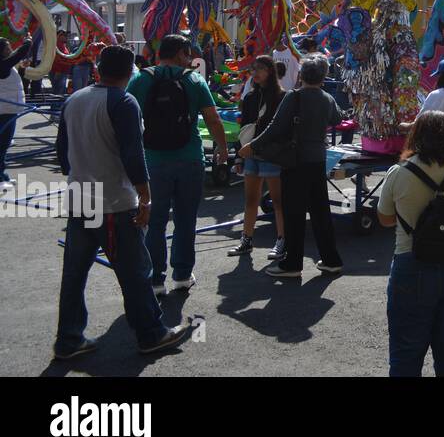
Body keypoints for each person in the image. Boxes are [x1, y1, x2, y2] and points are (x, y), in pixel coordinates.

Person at [53, 44, 193, 359]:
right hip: (114, 202)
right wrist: (145, 195)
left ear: (98, 68)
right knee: (134, 272)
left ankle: (68, 338)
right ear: (130, 71)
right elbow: (132, 153)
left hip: (80, 199)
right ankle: (151, 334)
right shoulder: (124, 102)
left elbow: (62, 153)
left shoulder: (74, 100)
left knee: (74, 274)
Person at [377, 110, 444, 376]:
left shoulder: (399, 172)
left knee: (405, 355)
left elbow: (385, 219)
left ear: (415, 136)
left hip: (411, 263)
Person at [127, 34, 226, 295]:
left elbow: (126, 117)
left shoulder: (141, 78)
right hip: (190, 157)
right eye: (188, 53)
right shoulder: (193, 79)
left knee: (155, 221)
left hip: (153, 159)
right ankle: (182, 275)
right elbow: (213, 119)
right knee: (185, 219)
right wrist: (222, 149)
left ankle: (155, 279)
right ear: (181, 52)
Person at [248, 55, 344, 279]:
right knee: (321, 212)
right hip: (318, 160)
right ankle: (331, 260)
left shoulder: (294, 97)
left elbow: (275, 127)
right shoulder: (327, 98)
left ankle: (292, 263)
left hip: (295, 160)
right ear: (323, 76)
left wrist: (253, 145)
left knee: (295, 213)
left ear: (301, 75)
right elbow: (337, 119)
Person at [229, 55, 286, 260]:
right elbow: (243, 127)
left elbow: (280, 129)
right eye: (253, 69)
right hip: (250, 154)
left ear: (270, 71)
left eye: (259, 69)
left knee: (278, 201)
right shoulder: (250, 97)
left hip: (271, 154)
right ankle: (246, 239)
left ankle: (281, 241)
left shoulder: (282, 97)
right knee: (250, 199)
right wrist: (238, 157)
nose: (255, 73)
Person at [0, 38, 32, 185]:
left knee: (4, 144)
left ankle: (2, 175)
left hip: (9, 110)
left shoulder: (6, 66)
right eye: (7, 48)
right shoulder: (3, 65)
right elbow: (19, 53)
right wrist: (28, 42)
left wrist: (23, 69)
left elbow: (18, 85)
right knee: (2, 144)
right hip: (4, 111)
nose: (10, 50)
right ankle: (0, 178)